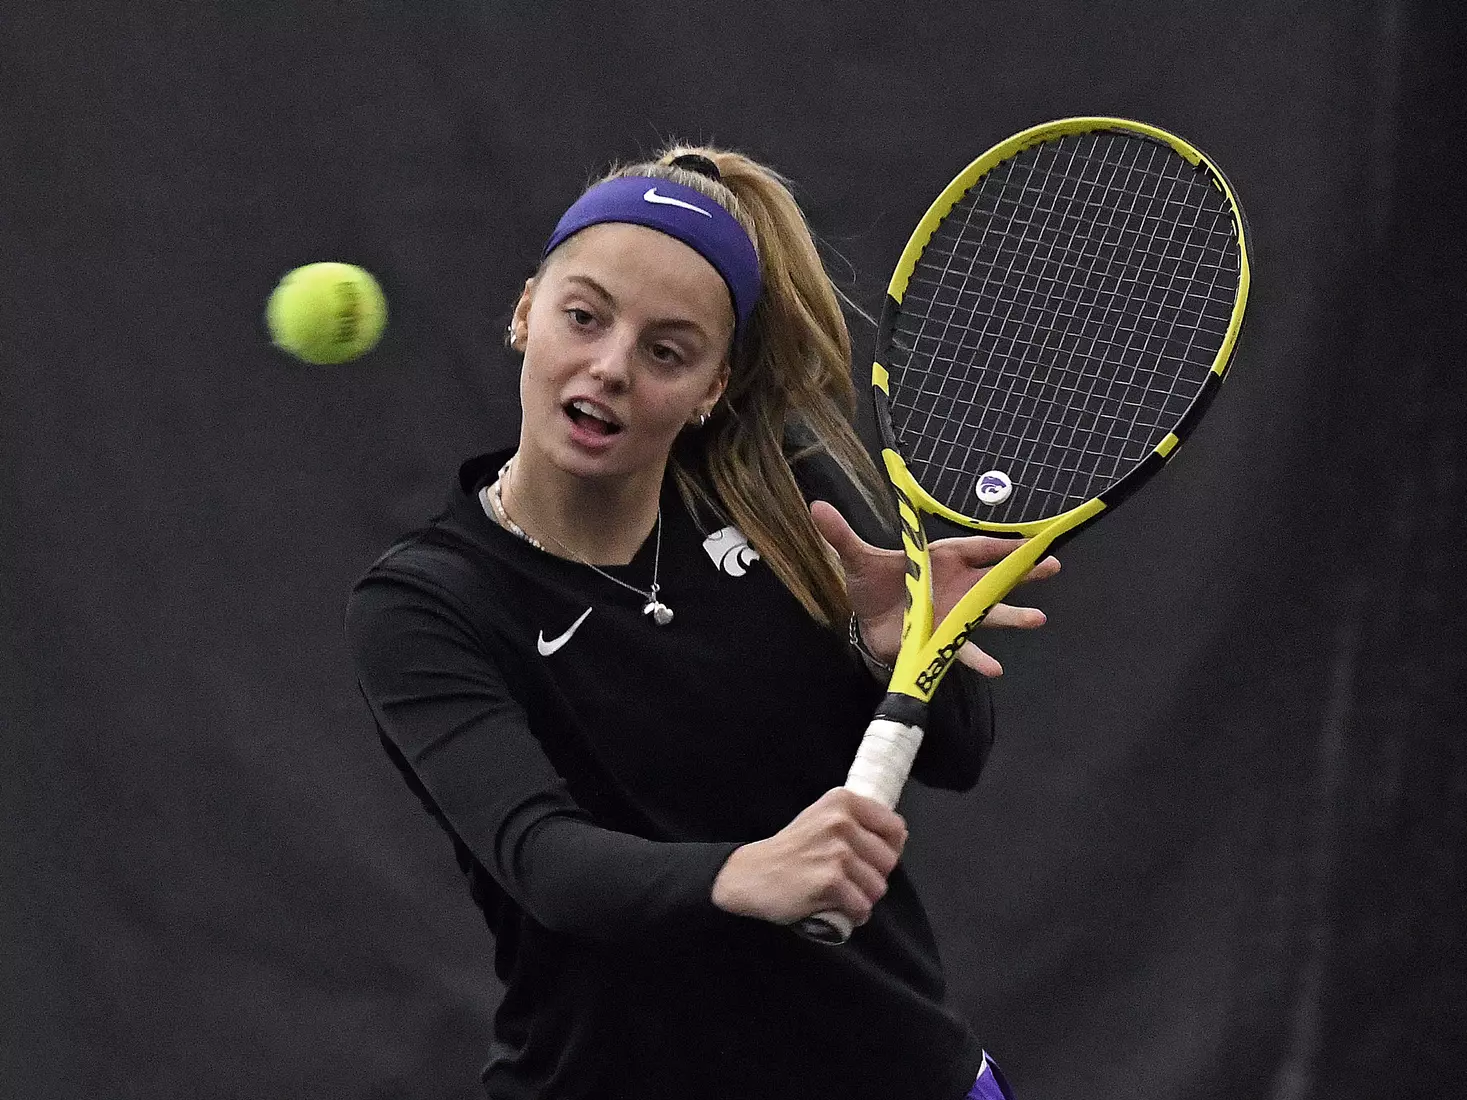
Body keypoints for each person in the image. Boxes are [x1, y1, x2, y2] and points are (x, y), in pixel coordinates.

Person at [346, 145, 1058, 1100]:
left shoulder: (781, 498)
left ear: (712, 386)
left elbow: (955, 756)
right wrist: (743, 874)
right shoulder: (428, 602)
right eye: (584, 317)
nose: (610, 368)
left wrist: (896, 650)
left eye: (666, 350)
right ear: (527, 312)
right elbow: (546, 863)